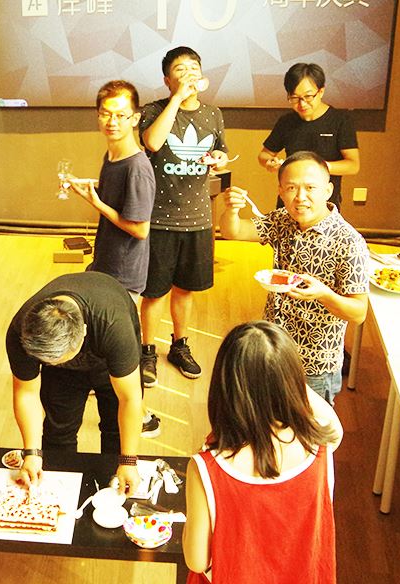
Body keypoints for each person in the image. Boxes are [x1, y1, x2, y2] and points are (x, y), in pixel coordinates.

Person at [183, 321, 342, 584]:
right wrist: (286, 377)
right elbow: (334, 426)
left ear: (225, 387)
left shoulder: (207, 469)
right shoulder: (320, 448)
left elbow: (197, 560)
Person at [219, 151, 368, 404]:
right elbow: (235, 232)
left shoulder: (348, 242)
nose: (300, 197)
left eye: (310, 188)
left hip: (314, 366)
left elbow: (358, 312)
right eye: (291, 188)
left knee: (308, 428)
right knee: (269, 420)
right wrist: (232, 211)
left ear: (328, 190)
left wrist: (323, 294)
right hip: (273, 351)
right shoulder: (283, 220)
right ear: (280, 191)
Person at [67, 79, 162, 437]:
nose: (112, 121)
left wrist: (97, 204)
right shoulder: (113, 156)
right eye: (106, 114)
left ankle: (141, 415)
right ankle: (111, 392)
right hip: (106, 263)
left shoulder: (137, 166)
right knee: (105, 340)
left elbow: (140, 229)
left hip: (124, 272)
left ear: (135, 118)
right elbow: (117, 202)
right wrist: (89, 189)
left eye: (121, 115)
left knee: (122, 348)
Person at [138, 46, 231, 384]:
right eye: (180, 69)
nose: (189, 73)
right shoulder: (154, 110)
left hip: (198, 218)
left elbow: (221, 152)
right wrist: (177, 99)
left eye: (194, 67)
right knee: (154, 291)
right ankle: (147, 350)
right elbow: (152, 142)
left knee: (185, 290)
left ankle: (179, 345)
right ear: (167, 80)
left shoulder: (213, 113)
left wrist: (219, 160)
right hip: (160, 218)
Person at [8, 271, 144, 495]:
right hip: (62, 373)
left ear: (84, 333)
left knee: (115, 430)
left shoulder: (113, 326)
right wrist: (32, 453)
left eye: (62, 359)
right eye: (48, 362)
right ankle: (61, 493)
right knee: (58, 430)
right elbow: (26, 393)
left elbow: (130, 398)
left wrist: (128, 461)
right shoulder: (22, 332)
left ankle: (112, 491)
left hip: (108, 357)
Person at [259, 63, 359, 211]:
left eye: (308, 96)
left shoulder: (340, 121)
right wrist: (270, 163)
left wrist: (318, 167)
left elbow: (353, 165)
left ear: (321, 91)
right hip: (290, 201)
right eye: (294, 98)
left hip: (324, 202)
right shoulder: (286, 122)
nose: (302, 104)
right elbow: (264, 155)